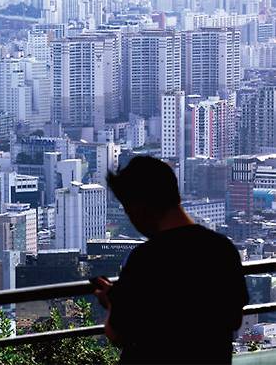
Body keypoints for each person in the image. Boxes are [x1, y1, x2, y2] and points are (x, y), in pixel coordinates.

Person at [93, 156, 248, 364]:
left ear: (139, 207)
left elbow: (117, 333)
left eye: (128, 210)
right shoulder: (223, 249)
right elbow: (234, 319)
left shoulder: (146, 260)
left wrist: (113, 302)